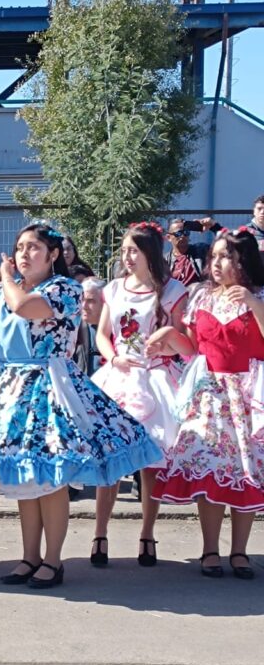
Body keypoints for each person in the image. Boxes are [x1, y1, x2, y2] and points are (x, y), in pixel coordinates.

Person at [0, 224, 159, 588]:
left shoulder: (64, 289)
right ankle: (30, 557)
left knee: (50, 477)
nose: (24, 254)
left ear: (53, 254)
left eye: (34, 248)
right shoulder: (10, 292)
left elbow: (23, 308)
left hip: (49, 386)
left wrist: (7, 278)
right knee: (28, 476)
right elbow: (1, 345)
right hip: (9, 385)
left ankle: (53, 561)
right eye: (20, 247)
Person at [154, 227, 264, 579]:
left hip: (247, 394)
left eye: (226, 256)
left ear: (244, 260)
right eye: (214, 256)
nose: (216, 263)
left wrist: (251, 301)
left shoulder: (260, 295)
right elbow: (192, 348)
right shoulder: (200, 295)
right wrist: (170, 338)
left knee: (244, 472)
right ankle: (210, 549)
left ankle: (241, 552)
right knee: (212, 470)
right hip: (210, 394)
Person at [89, 222, 193, 569]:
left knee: (151, 464)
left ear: (150, 252)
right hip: (117, 376)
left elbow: (182, 339)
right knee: (111, 460)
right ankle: (99, 534)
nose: (126, 256)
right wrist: (114, 356)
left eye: (133, 249)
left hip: (156, 379)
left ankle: (147, 534)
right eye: (124, 250)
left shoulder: (172, 290)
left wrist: (166, 341)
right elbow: (102, 334)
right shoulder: (115, 288)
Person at [165, 217, 221, 287]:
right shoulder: (165, 261)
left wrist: (214, 226)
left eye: (186, 232)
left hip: (200, 295)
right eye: (178, 233)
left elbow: (227, 243)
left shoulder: (201, 250)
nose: (183, 236)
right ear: (168, 237)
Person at [73, 276, 106, 376]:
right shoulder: (72, 330)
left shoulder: (115, 331)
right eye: (82, 300)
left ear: (104, 302)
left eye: (90, 301)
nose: (84, 306)